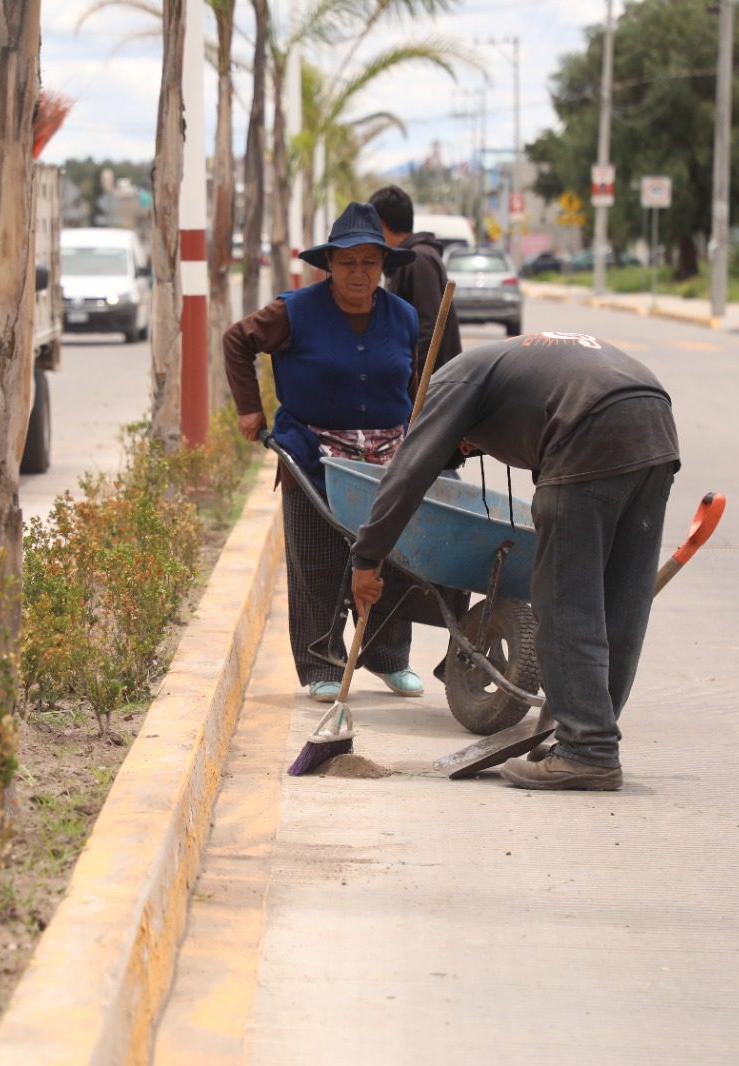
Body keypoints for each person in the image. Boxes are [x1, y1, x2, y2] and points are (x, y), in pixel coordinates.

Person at [349, 331, 681, 790]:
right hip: (654, 423)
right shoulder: (507, 367)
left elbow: (409, 474)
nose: (470, 451)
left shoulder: (453, 382)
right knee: (620, 602)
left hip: (589, 425)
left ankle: (586, 749)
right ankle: (588, 734)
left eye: (467, 448)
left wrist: (367, 555)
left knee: (565, 602)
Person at [224, 202, 425, 703]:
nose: (359, 273)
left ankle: (388, 657)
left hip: (387, 458)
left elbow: (413, 382)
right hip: (312, 453)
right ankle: (320, 662)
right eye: (348, 263)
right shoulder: (294, 310)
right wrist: (250, 410)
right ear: (328, 266)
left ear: (382, 266)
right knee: (317, 559)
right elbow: (236, 341)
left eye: (369, 263)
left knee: (393, 559)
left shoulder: (402, 316)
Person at [368, 184, 462, 393]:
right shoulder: (408, 258)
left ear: (380, 223)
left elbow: (427, 326)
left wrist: (405, 380)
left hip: (430, 388)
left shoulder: (417, 259)